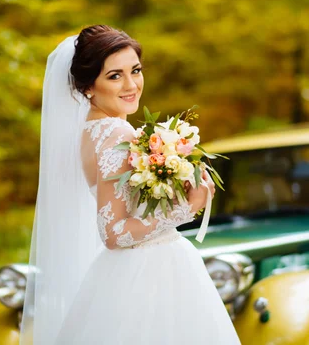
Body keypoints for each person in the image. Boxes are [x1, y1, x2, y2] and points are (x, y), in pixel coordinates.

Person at [19, 25, 241, 344]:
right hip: (149, 274)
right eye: (114, 76)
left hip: (128, 272)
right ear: (87, 87)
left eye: (135, 71)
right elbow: (113, 232)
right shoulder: (115, 134)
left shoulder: (90, 132)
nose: (131, 84)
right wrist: (186, 208)